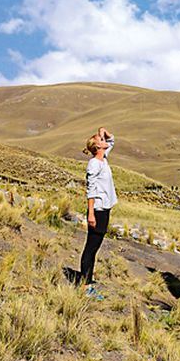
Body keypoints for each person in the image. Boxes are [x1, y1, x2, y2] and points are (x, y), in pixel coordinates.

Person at [77, 125, 117, 295]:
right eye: (101, 141)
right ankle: (85, 286)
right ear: (97, 147)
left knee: (96, 246)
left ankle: (88, 282)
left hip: (104, 208)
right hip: (98, 210)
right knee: (91, 248)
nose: (105, 140)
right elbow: (90, 190)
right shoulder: (94, 164)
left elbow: (112, 140)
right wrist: (91, 213)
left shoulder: (103, 159)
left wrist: (103, 132)